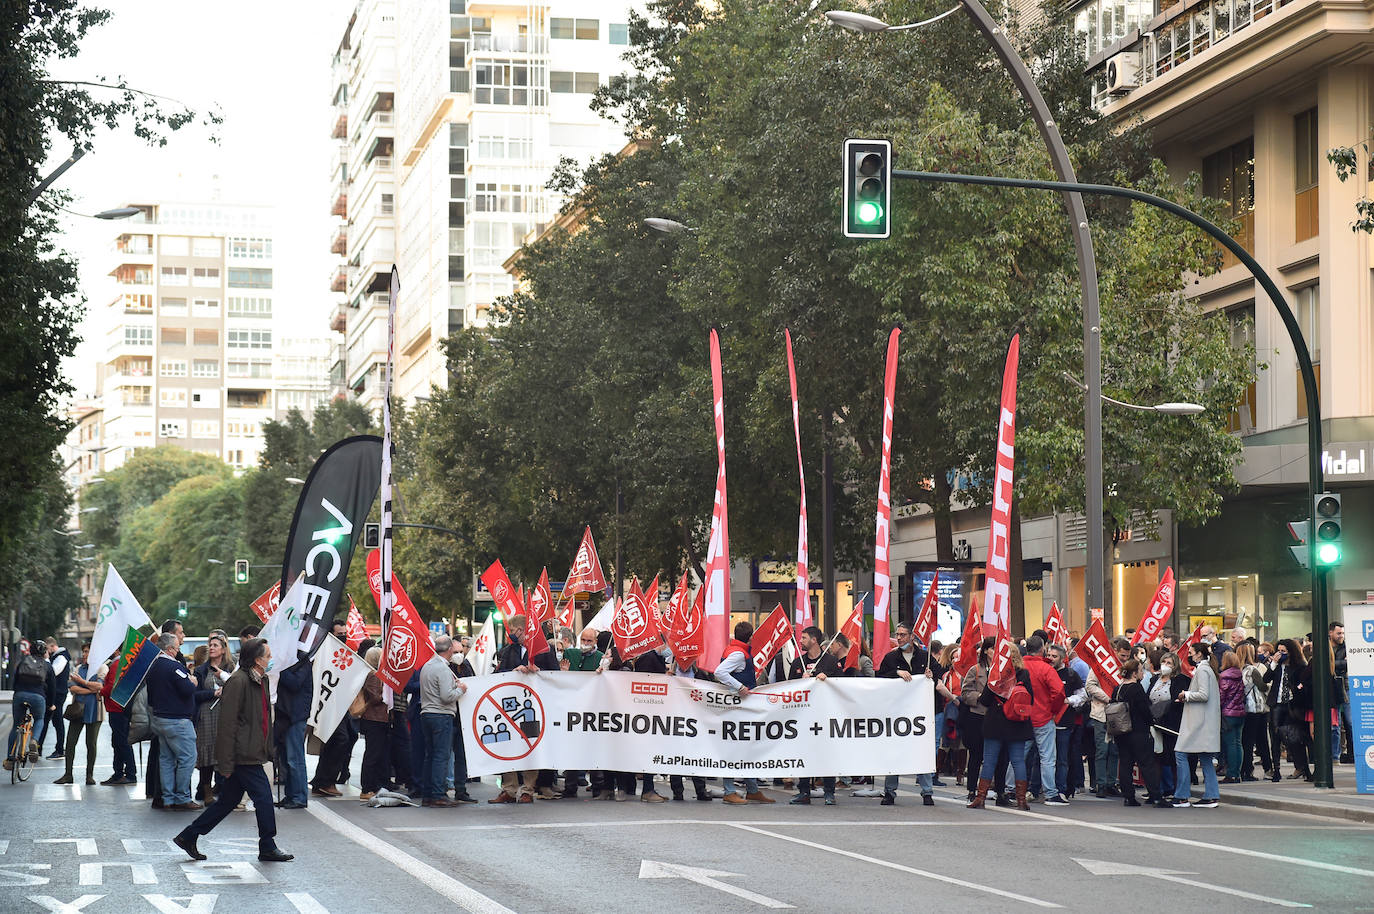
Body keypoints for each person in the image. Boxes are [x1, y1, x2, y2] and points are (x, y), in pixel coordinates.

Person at [173, 638, 294, 863]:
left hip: (251, 751)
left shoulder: (262, 680)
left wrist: (268, 748)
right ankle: (267, 845)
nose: (270, 659)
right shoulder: (238, 682)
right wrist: (225, 762)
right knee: (264, 799)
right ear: (257, 660)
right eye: (268, 656)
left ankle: (188, 835)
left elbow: (262, 719)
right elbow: (227, 725)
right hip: (243, 755)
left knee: (227, 801)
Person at [488, 614, 556, 803]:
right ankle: (509, 789)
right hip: (510, 708)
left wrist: (537, 672)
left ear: (521, 630)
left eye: (513, 630)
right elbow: (497, 674)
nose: (511, 634)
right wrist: (514, 671)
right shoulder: (509, 651)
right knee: (508, 747)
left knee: (530, 746)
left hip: (534, 707)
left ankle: (528, 789)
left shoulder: (545, 650)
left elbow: (556, 674)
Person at [876, 622, 938, 806]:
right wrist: (896, 672)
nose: (900, 637)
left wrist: (930, 674)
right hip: (896, 713)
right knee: (894, 752)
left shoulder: (924, 657)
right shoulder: (891, 658)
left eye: (903, 634)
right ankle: (889, 792)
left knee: (921, 751)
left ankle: (927, 792)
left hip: (919, 715)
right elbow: (880, 679)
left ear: (912, 636)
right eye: (898, 634)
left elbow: (939, 675)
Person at [969, 644, 1033, 810]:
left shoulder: (995, 673)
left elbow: (984, 700)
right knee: (1018, 761)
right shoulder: (1024, 673)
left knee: (989, 760)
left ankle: (980, 798)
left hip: (996, 721)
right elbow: (1030, 699)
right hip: (1017, 722)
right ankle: (1021, 800)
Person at [791, 631, 850, 806]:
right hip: (804, 717)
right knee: (804, 753)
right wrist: (801, 682)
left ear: (814, 640)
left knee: (827, 753)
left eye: (804, 638)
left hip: (825, 716)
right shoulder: (797, 663)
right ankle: (803, 791)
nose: (800, 641)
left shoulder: (830, 662)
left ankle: (829, 792)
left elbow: (843, 683)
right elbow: (787, 688)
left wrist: (829, 679)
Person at [145, 632, 202, 811]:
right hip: (177, 720)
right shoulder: (173, 667)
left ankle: (168, 798)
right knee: (188, 758)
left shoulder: (153, 666)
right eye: (177, 648)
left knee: (167, 759)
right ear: (169, 650)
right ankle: (182, 797)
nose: (179, 651)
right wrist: (192, 681)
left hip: (159, 718)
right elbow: (186, 689)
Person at [718, 621, 771, 805]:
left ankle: (752, 789)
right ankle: (730, 791)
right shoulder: (739, 654)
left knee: (747, 749)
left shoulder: (734, 650)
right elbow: (720, 672)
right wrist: (740, 687)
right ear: (750, 637)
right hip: (737, 708)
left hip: (740, 708)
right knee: (734, 749)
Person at [418, 635, 467, 808]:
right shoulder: (443, 669)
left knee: (430, 756)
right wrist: (460, 690)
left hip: (426, 714)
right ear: (449, 650)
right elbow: (447, 697)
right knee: (441, 756)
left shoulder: (427, 666)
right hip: (441, 715)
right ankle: (438, 794)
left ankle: (428, 794)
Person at [1171, 642, 1221, 808]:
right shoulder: (1207, 670)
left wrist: (1186, 694)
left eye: (1191, 652)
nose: (1190, 655)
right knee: (1205, 759)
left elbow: (1203, 695)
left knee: (1181, 753)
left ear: (1199, 654)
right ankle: (1212, 795)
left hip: (1199, 722)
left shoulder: (1203, 670)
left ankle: (1182, 795)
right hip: (1204, 722)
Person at [1111, 659, 1165, 807]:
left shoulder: (1118, 688)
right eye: (1141, 670)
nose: (1142, 673)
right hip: (1138, 732)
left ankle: (1128, 797)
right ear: (1134, 673)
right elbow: (1144, 710)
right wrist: (1151, 722)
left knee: (1125, 764)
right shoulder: (1136, 688)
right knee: (1147, 764)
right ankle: (1156, 796)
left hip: (1121, 732)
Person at [1021, 636, 1067, 805]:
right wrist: (1053, 711)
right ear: (1042, 649)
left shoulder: (1019, 666)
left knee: (1018, 756)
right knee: (1047, 757)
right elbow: (1059, 693)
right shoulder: (1046, 669)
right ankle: (1050, 793)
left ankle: (1010, 789)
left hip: (1022, 717)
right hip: (1043, 717)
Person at [560, 628, 603, 798]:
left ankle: (598, 786)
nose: (585, 643)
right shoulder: (571, 653)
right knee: (573, 748)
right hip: (574, 709)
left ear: (595, 642)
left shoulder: (600, 657)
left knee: (594, 748)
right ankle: (570, 786)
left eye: (589, 641)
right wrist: (562, 673)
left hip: (594, 710)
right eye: (583, 640)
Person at [54, 643, 105, 786]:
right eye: (83, 651)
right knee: (70, 742)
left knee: (91, 744)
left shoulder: (101, 667)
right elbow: (73, 688)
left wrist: (82, 682)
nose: (84, 654)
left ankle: (89, 775)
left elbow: (100, 686)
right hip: (78, 709)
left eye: (87, 651)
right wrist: (91, 689)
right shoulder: (78, 668)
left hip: (95, 711)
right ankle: (68, 774)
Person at [193, 633, 235, 804]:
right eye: (210, 645)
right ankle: (206, 790)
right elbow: (194, 694)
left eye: (215, 645)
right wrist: (213, 693)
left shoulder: (232, 668)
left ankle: (226, 790)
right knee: (206, 754)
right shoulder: (201, 670)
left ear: (224, 650)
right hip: (206, 714)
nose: (211, 648)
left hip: (225, 714)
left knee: (225, 753)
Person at [668, 652, 712, 802]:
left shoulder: (701, 676)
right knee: (676, 756)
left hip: (696, 722)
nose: (685, 661)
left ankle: (701, 789)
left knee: (697, 755)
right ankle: (677, 791)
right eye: (682, 658)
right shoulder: (669, 676)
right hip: (676, 721)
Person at [4, 641, 51, 771]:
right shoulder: (46, 666)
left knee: (16, 725)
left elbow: (15, 679)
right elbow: (52, 687)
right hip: (38, 697)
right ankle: (34, 741)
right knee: (40, 719)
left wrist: (17, 692)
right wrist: (51, 704)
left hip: (20, 695)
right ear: (44, 653)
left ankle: (10, 759)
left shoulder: (23, 661)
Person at [274, 652, 313, 810]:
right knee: (285, 757)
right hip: (284, 714)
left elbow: (295, 683)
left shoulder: (303, 661)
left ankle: (299, 796)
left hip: (295, 715)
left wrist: (279, 669)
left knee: (294, 757)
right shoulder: (289, 660)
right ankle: (290, 794)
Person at [1268, 638, 1309, 780]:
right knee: (1275, 736)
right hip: (1277, 704)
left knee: (1295, 737)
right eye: (1278, 651)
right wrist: (1273, 663)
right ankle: (1276, 770)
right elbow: (1265, 679)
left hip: (1292, 705)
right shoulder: (1277, 666)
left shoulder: (1299, 666)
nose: (1280, 654)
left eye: (1283, 651)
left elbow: (1302, 684)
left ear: (1291, 652)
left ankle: (1302, 767)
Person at [1048, 643, 1084, 800]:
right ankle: (1041, 788)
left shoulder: (1070, 674)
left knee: (1062, 758)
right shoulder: (1045, 671)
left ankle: (1061, 789)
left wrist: (1068, 700)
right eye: (1049, 655)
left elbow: (1082, 696)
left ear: (1062, 658)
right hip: (1045, 723)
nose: (1050, 659)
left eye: (1054, 656)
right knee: (1044, 758)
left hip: (1064, 723)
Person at [1149, 651, 1187, 798]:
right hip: (1155, 724)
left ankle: (1176, 791)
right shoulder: (1154, 680)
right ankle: (1158, 791)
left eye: (1169, 663)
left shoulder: (1179, 680)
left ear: (1175, 665)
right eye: (1164, 662)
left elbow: (1179, 700)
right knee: (1157, 757)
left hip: (1171, 724)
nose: (1165, 665)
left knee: (1173, 758)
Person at [958, 637, 992, 802]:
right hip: (977, 716)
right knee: (976, 755)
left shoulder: (1004, 670)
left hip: (997, 718)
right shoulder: (976, 670)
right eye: (992, 649)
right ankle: (972, 789)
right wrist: (980, 697)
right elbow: (965, 693)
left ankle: (994, 789)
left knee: (994, 756)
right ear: (986, 650)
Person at [99, 647, 137, 785]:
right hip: (119, 707)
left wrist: (100, 691)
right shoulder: (120, 663)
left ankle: (130, 773)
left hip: (117, 708)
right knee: (118, 741)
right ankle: (119, 772)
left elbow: (111, 687)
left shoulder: (116, 664)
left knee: (121, 742)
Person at [358, 647, 390, 801]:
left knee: (379, 754)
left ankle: (375, 785)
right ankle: (366, 787)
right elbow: (376, 698)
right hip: (373, 719)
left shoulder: (378, 675)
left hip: (379, 719)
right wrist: (386, 690)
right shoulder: (373, 675)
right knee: (372, 754)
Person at [1238, 642, 1272, 781]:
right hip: (1257, 708)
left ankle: (1245, 770)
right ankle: (1267, 769)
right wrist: (1271, 685)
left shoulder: (1237, 669)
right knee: (1261, 740)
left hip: (1242, 708)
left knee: (1246, 741)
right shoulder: (1253, 670)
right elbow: (1263, 687)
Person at [41, 637, 72, 760]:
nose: (46, 652)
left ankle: (59, 749)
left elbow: (52, 672)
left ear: (52, 647)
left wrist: (46, 659)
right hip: (53, 693)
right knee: (45, 721)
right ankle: (38, 748)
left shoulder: (61, 657)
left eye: (47, 649)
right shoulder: (57, 656)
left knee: (57, 721)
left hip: (58, 694)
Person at [1217, 650, 1246, 783]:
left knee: (1230, 744)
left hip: (1227, 713)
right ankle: (1237, 773)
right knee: (1238, 743)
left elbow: (1221, 696)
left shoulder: (1224, 676)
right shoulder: (1240, 674)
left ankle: (1231, 774)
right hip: (1240, 712)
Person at [1330, 622, 1351, 763]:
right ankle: (1335, 756)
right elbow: (1325, 664)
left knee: (1350, 722)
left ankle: (1353, 754)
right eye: (1339, 633)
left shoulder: (1347, 647)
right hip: (1332, 688)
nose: (1341, 636)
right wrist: (1342, 663)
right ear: (1330, 633)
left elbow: (1351, 663)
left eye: (1342, 633)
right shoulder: (1325, 647)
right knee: (1335, 724)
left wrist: (1335, 664)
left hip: (1346, 685)